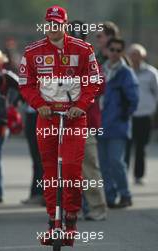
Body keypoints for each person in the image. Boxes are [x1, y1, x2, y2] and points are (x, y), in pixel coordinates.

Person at [19, 5, 101, 245]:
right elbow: (26, 83)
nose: (53, 28)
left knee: (72, 170)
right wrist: (38, 104)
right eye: (49, 24)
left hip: (74, 117)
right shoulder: (32, 52)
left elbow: (93, 82)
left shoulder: (83, 49)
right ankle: (53, 223)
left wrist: (81, 105)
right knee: (50, 171)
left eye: (57, 24)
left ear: (65, 25)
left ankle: (71, 219)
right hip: (47, 117)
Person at [69, 20, 107, 221]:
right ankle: (68, 208)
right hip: (63, 121)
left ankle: (98, 207)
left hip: (86, 122)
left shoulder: (90, 59)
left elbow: (99, 85)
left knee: (89, 167)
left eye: (78, 38)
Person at [98, 38, 139, 208]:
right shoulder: (100, 71)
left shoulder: (126, 73)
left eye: (118, 50)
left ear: (122, 52)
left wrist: (123, 115)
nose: (114, 53)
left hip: (117, 126)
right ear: (106, 51)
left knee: (116, 161)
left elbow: (134, 100)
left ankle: (125, 194)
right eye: (112, 49)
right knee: (104, 165)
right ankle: (109, 196)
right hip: (100, 125)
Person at [128, 44, 158, 185]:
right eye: (133, 54)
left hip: (145, 115)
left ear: (143, 56)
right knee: (126, 146)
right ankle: (123, 174)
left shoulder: (151, 73)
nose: (135, 57)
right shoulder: (126, 72)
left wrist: (152, 109)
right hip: (128, 115)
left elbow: (156, 92)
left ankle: (138, 175)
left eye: (137, 54)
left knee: (141, 146)